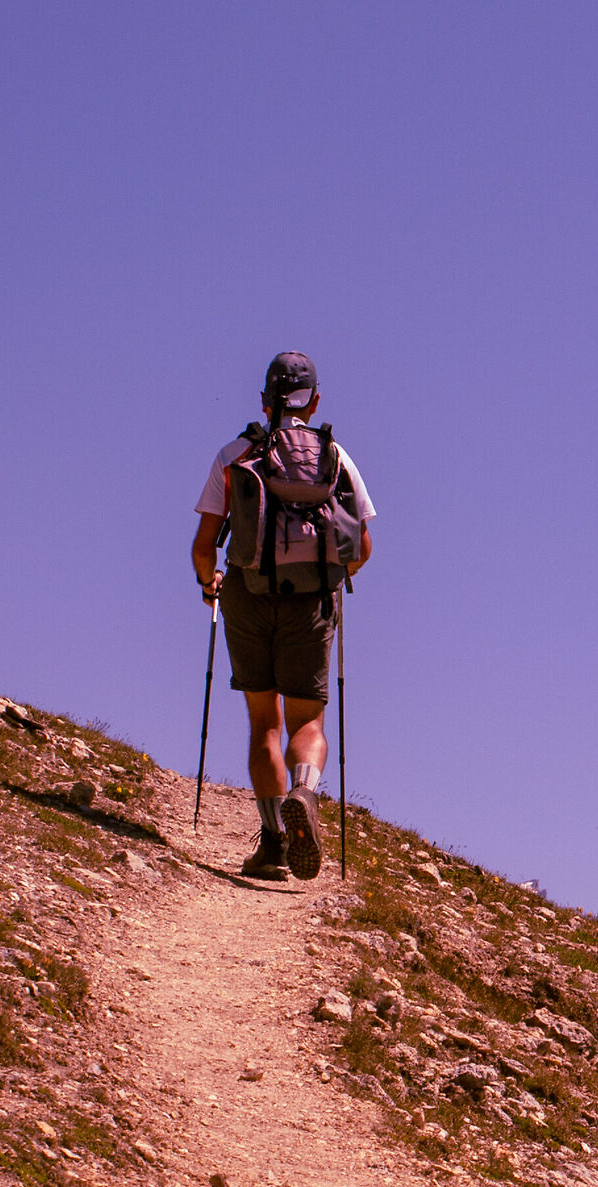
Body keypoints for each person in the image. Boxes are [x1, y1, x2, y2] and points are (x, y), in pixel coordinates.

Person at [189, 352, 374, 880]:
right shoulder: (335, 458)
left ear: (264, 400)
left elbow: (204, 545)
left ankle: (272, 842)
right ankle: (305, 791)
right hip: (311, 602)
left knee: (263, 722)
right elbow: (361, 545)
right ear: (314, 401)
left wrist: (210, 585)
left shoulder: (235, 453)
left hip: (247, 594)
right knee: (307, 720)